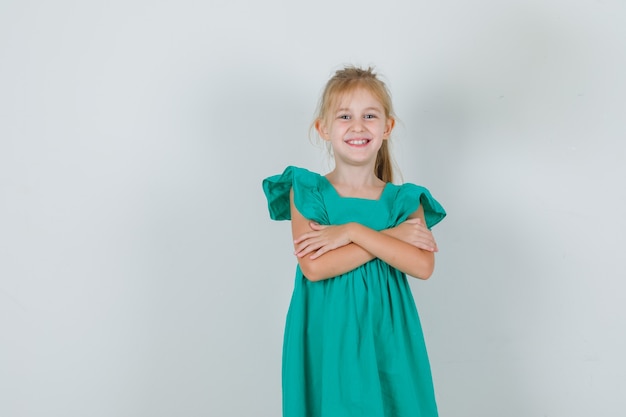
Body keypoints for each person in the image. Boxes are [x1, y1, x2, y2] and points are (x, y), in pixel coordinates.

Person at [262, 66, 446, 417]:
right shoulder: (308, 191)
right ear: (324, 128)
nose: (358, 126)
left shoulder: (405, 200)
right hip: (327, 336)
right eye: (345, 116)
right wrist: (390, 238)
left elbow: (422, 265)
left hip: (387, 338)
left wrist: (350, 232)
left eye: (369, 116)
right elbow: (315, 266)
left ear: (387, 127)